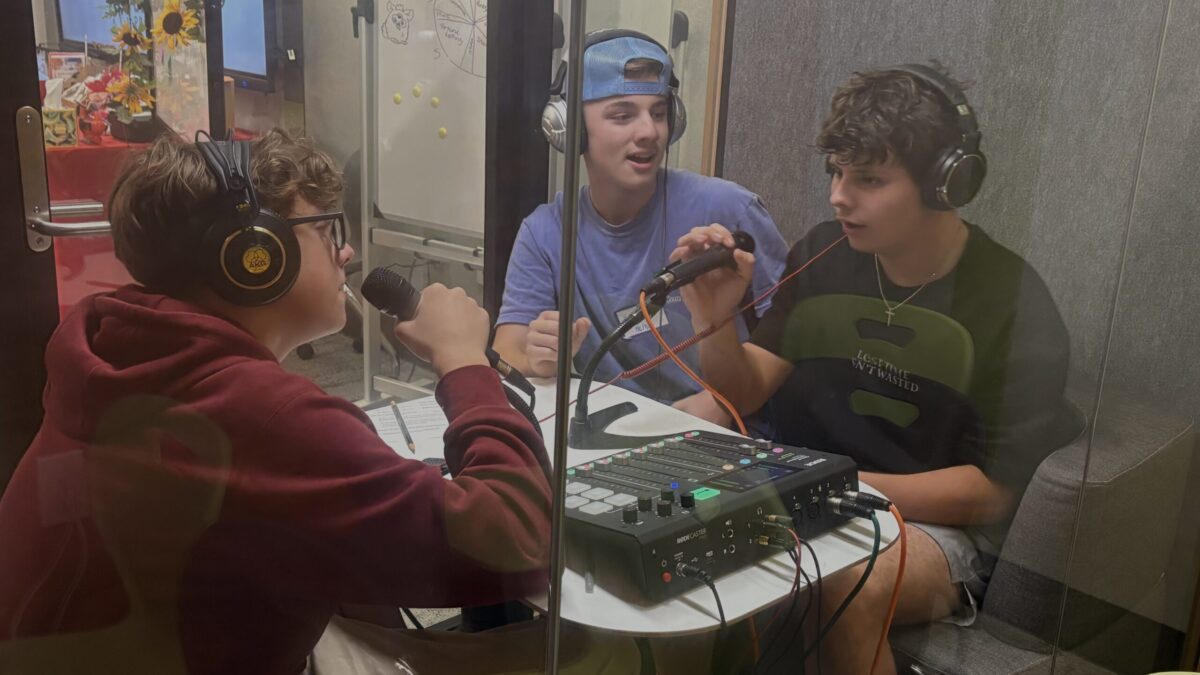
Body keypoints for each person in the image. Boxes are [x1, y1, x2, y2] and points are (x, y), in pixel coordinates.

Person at [0, 131, 623, 674]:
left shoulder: (120, 349)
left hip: (126, 652)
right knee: (591, 656)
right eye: (327, 229)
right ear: (252, 258)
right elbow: (515, 542)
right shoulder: (259, 415)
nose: (346, 252)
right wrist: (462, 362)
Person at [673, 64, 1072, 673]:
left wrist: (822, 487)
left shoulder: (1011, 301)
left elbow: (992, 493)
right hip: (815, 491)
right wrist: (716, 321)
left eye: (868, 179)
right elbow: (748, 387)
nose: (839, 195)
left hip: (936, 527)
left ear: (947, 184)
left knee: (844, 580)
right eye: (836, 172)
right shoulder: (824, 253)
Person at [493, 29, 789, 421]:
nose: (649, 131)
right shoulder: (545, 232)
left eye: (659, 113)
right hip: (609, 435)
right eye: (622, 115)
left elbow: (793, 337)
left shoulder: (729, 208)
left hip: (728, 437)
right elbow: (506, 350)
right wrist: (539, 356)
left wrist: (721, 401)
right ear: (571, 129)